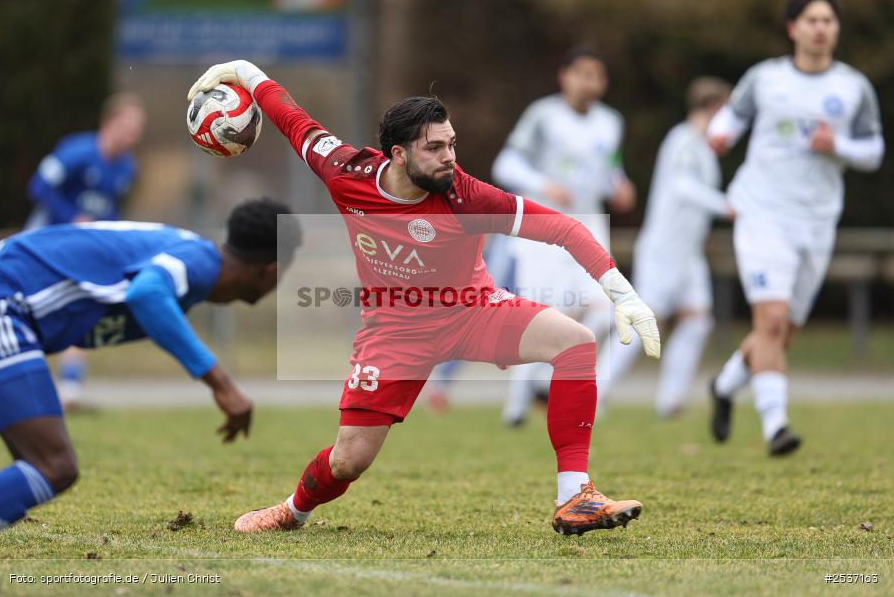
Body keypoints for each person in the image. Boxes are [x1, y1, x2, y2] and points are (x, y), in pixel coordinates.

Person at [187, 60, 660, 536]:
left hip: (472, 311)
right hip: (395, 332)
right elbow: (292, 119)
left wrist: (624, 295)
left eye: (451, 144)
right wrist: (245, 71)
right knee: (349, 460)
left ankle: (575, 496)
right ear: (398, 154)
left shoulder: (466, 197)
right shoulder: (345, 171)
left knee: (575, 342)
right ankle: (293, 511)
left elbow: (564, 228)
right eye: (434, 148)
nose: (449, 157)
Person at [0, 198, 298, 533]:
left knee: (35, 461)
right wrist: (221, 384)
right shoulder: (199, 263)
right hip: (4, 300)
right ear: (271, 270)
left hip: (8, 294)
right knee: (52, 466)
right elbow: (147, 294)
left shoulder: (189, 253)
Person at [707, 0, 884, 455]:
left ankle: (725, 385)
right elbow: (734, 115)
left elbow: (874, 150)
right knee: (770, 320)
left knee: (782, 331)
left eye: (828, 20)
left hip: (818, 220)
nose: (820, 28)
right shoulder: (765, 78)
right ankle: (776, 426)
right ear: (793, 28)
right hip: (763, 212)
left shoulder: (853, 87)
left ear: (836, 29)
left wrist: (837, 145)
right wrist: (720, 133)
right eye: (811, 20)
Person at [490, 46, 637, 426]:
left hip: (589, 228)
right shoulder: (544, 116)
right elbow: (505, 164)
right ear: (564, 76)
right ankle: (517, 406)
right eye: (582, 74)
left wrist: (620, 186)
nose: (590, 83)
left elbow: (609, 170)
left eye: (597, 76)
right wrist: (544, 185)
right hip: (544, 231)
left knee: (608, 310)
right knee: (541, 316)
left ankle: (553, 386)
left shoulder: (611, 122)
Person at [597, 77, 734, 418]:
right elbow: (683, 186)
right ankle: (595, 391)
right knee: (644, 320)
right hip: (664, 249)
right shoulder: (683, 140)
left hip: (689, 252)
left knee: (697, 320)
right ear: (713, 109)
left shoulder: (704, 148)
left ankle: (670, 400)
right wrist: (725, 205)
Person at [25, 94, 147, 410]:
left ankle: (69, 390)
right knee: (27, 315)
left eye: (137, 129)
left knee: (84, 310)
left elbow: (110, 211)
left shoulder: (127, 168)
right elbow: (38, 186)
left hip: (81, 254)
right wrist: (71, 217)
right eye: (128, 127)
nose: (133, 135)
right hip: (44, 245)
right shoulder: (75, 151)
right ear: (109, 122)